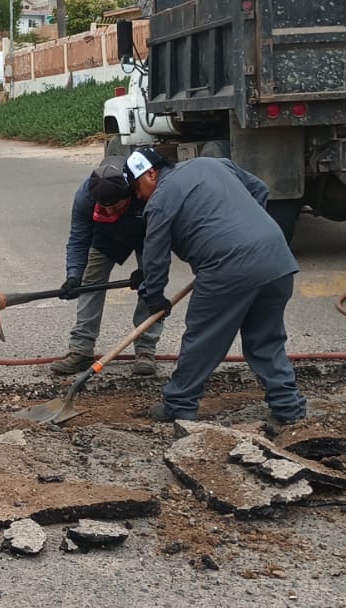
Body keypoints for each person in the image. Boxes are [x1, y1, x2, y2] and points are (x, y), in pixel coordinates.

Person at [131, 149, 309, 426]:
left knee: (203, 339)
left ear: (150, 173)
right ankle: (289, 408)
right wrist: (249, 233)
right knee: (266, 339)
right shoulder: (212, 163)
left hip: (227, 268)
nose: (139, 197)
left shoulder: (160, 200)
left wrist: (154, 297)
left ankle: (179, 406)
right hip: (276, 258)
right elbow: (259, 190)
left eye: (137, 188)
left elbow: (155, 256)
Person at [50, 154, 164, 378]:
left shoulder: (145, 190)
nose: (110, 211)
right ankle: (81, 350)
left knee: (152, 283)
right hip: (107, 234)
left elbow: (163, 238)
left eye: (115, 206)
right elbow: (78, 238)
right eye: (105, 207)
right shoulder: (86, 196)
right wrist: (74, 275)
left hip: (146, 231)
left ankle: (145, 351)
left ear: (129, 192)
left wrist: (148, 270)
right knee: (91, 282)